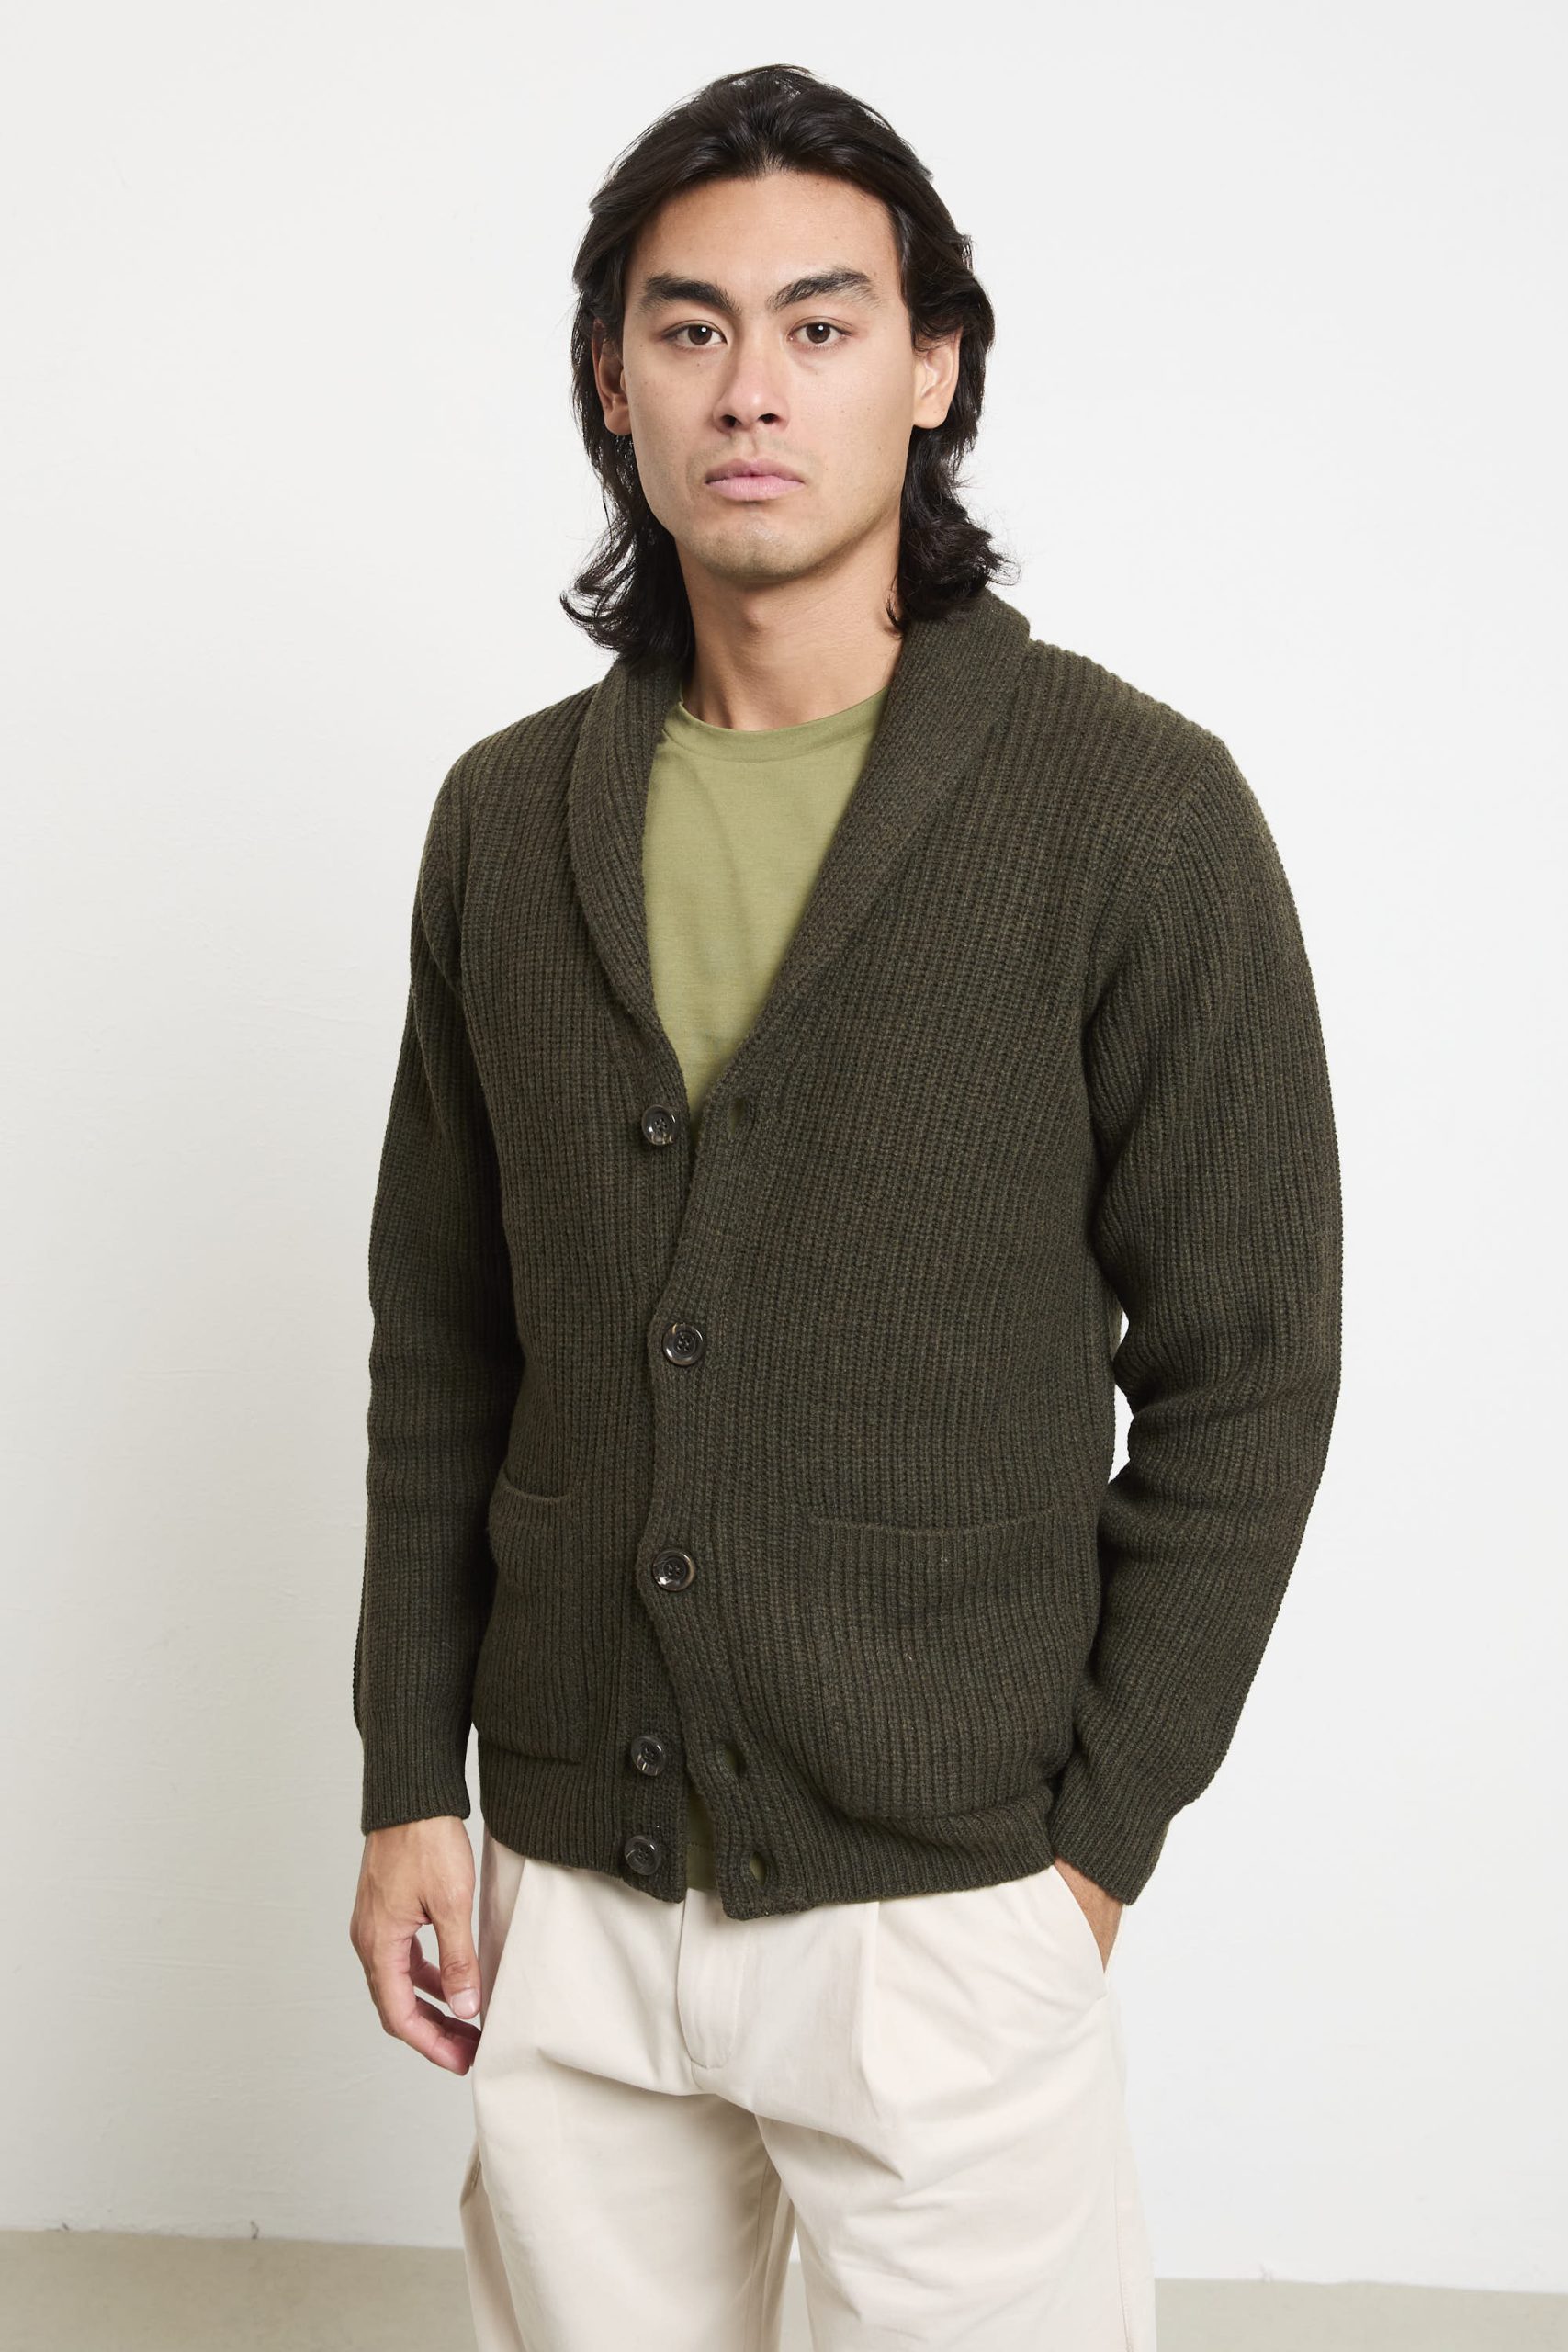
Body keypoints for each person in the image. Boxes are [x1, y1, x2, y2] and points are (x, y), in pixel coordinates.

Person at [348, 61, 1342, 2352]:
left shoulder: (1130, 810)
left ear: (932, 367)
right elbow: (444, 1342)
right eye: (686, 327)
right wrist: (410, 1775)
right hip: (569, 1884)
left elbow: (1247, 1366)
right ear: (612, 378)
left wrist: (1087, 1842)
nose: (750, 389)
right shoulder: (506, 819)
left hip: (948, 1895)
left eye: (819, 323)